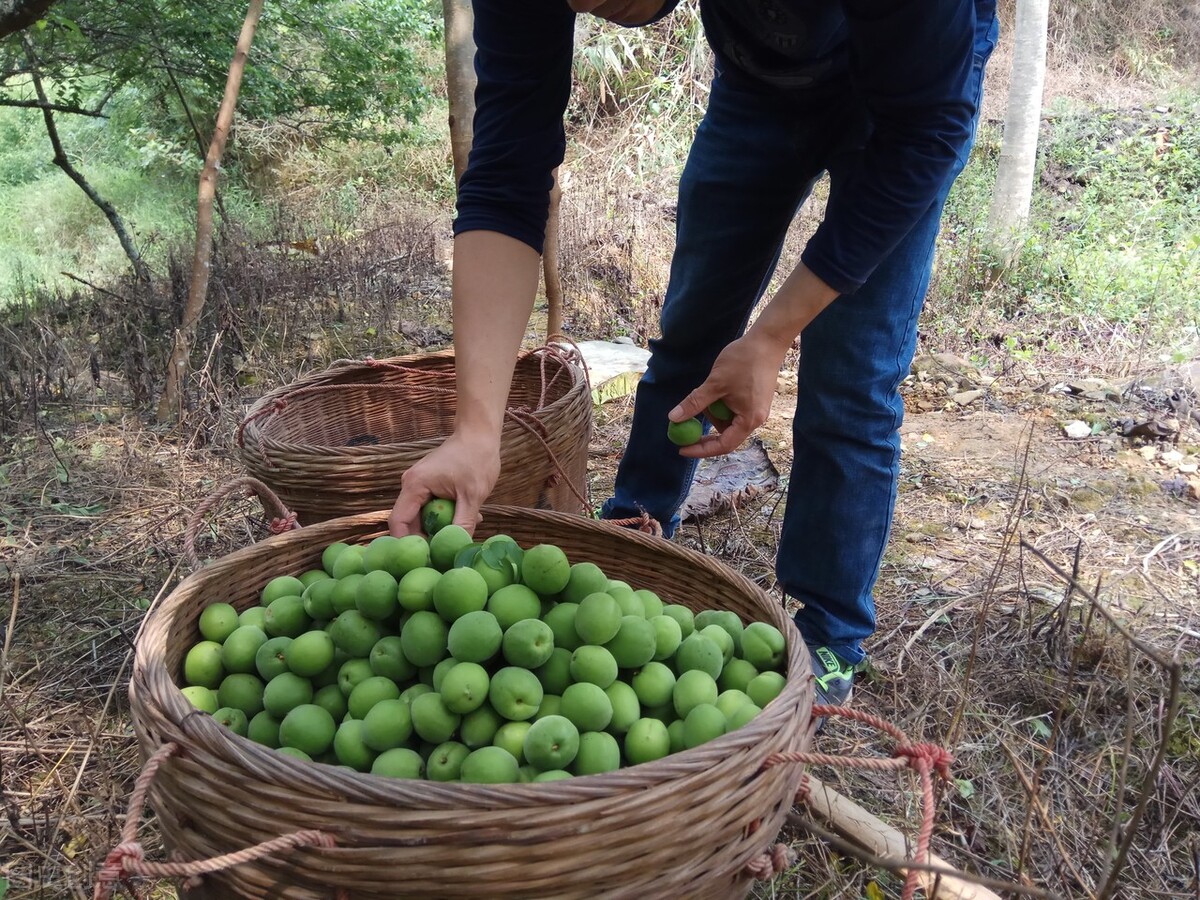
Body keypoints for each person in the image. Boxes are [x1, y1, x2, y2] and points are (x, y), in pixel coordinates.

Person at [391, 0, 999, 714]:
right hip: (760, 84)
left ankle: (830, 630)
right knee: (692, 335)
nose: (598, 6)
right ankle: (639, 530)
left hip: (903, 101)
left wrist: (771, 337)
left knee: (852, 381)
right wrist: (476, 431)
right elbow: (505, 175)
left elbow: (928, 129)